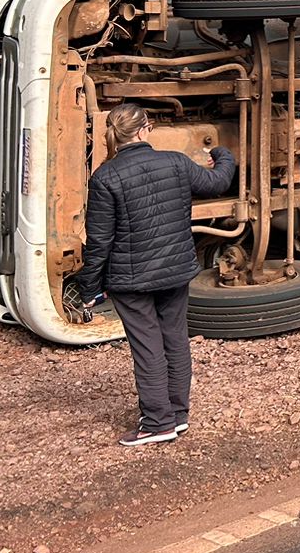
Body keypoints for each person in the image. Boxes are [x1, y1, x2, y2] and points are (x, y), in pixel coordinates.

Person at [78, 103, 236, 446]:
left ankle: (157, 422)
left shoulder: (105, 177)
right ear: (145, 129)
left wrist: (88, 287)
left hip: (130, 280)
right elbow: (219, 181)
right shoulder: (176, 163)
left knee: (147, 347)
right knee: (175, 340)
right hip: (175, 272)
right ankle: (177, 416)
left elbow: (99, 241)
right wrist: (221, 152)